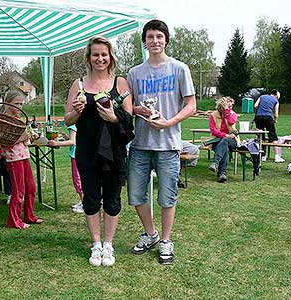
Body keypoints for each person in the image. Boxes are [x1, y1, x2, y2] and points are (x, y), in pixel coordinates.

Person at [127, 20, 196, 265]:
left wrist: (169, 122)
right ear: (144, 41)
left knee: (167, 197)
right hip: (140, 145)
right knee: (136, 195)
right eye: (150, 37)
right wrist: (139, 110)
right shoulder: (135, 73)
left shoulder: (180, 69)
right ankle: (151, 234)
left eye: (159, 36)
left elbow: (191, 105)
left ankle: (166, 240)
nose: (155, 41)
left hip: (168, 144)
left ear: (166, 39)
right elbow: (129, 107)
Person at [64, 35, 133, 267]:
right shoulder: (79, 85)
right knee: (91, 198)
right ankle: (96, 244)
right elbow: (67, 119)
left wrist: (114, 118)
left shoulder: (120, 83)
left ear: (110, 57)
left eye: (104, 54)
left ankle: (109, 245)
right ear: (89, 57)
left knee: (113, 198)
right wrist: (77, 111)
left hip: (113, 152)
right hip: (87, 150)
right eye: (96, 54)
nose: (100, 58)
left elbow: (129, 119)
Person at [0, 90, 44, 229]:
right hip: (14, 158)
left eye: (21, 104)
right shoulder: (3, 119)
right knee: (19, 190)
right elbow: (7, 141)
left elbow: (23, 138)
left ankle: (29, 216)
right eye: (16, 103)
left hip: (23, 155)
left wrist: (30, 136)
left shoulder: (18, 117)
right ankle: (14, 220)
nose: (20, 106)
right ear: (7, 103)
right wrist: (26, 136)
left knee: (30, 188)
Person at [47, 125, 84, 213]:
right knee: (81, 179)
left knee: (78, 179)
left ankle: (85, 204)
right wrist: (67, 138)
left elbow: (73, 142)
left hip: (76, 156)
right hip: (82, 154)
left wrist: (57, 143)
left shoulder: (73, 126)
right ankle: (84, 201)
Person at [207, 97, 239, 183]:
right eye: (228, 106)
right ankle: (222, 174)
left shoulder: (232, 114)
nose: (230, 108)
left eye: (231, 106)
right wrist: (225, 135)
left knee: (225, 141)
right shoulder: (213, 115)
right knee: (225, 147)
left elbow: (232, 122)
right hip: (217, 140)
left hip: (232, 140)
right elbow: (213, 130)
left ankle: (215, 162)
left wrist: (227, 111)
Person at [254, 89, 284, 163]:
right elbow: (276, 114)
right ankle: (277, 156)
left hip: (258, 117)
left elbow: (255, 106)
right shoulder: (276, 101)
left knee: (261, 136)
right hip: (268, 117)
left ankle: (263, 156)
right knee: (273, 136)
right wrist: (275, 120)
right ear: (276, 95)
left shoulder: (262, 96)